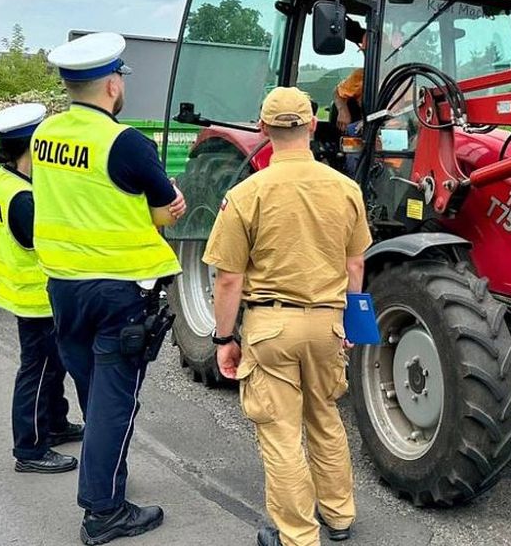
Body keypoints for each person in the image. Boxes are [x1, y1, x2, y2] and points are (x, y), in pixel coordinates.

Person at [32, 32, 186, 545]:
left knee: (94, 392)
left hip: (63, 287)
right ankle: (103, 511)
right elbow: (165, 209)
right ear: (113, 85)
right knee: (112, 404)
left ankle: (105, 471)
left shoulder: (43, 135)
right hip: (118, 292)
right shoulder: (126, 143)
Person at [204, 87, 371, 546]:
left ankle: (297, 536)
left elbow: (228, 280)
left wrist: (223, 340)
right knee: (325, 417)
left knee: (280, 433)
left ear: (263, 129)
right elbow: (356, 264)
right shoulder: (346, 189)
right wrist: (350, 325)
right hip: (328, 323)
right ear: (313, 126)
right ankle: (338, 516)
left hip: (270, 327)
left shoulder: (245, 195)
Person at [0, 103, 85, 475]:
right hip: (35, 297)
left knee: (53, 366)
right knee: (38, 370)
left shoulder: (6, 179)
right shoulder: (22, 199)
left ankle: (56, 424)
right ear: (31, 146)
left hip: (26, 293)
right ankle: (29, 449)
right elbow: (45, 244)